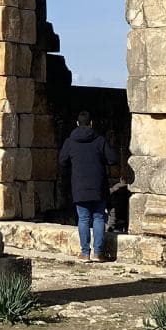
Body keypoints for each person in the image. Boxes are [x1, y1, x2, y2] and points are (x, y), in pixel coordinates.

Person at [58, 111, 119, 263]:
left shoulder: (70, 142)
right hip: (98, 186)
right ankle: (98, 253)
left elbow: (62, 161)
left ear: (77, 124)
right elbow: (113, 159)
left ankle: (85, 253)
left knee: (83, 218)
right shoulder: (99, 140)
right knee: (99, 217)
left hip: (79, 186)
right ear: (91, 124)